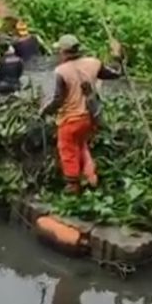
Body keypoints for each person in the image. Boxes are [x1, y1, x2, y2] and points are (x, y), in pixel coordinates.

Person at [40, 34, 122, 194]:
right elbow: (116, 73)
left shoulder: (61, 71)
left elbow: (57, 99)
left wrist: (44, 111)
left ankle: (73, 184)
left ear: (63, 52)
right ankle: (90, 177)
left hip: (71, 119)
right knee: (82, 145)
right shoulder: (93, 63)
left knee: (67, 148)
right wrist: (117, 56)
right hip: (90, 117)